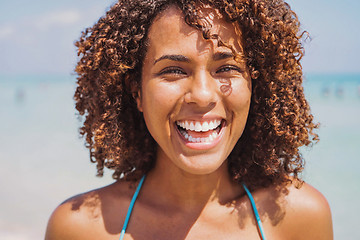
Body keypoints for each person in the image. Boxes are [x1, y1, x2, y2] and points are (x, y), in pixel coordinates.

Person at [45, 0, 333, 239]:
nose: (203, 95)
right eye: (174, 71)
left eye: (226, 68)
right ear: (137, 92)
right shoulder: (80, 228)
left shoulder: (300, 217)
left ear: (256, 85)